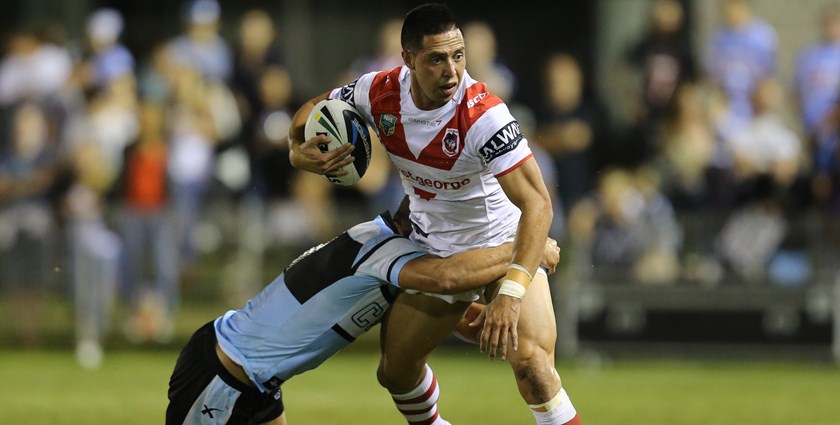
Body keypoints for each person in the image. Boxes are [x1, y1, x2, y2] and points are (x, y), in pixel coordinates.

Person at [288, 4, 581, 424]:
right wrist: (297, 149)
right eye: (437, 59)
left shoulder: (484, 114)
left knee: (534, 369)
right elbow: (315, 108)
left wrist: (512, 292)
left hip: (503, 249)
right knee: (396, 374)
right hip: (435, 255)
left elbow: (538, 203)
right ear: (407, 60)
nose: (452, 71)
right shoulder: (379, 92)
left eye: (458, 56)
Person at [166, 201, 561, 425]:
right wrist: (528, 249)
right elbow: (448, 278)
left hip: (257, 382)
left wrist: (492, 322)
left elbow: (447, 306)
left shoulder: (392, 257)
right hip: (224, 374)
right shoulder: (383, 250)